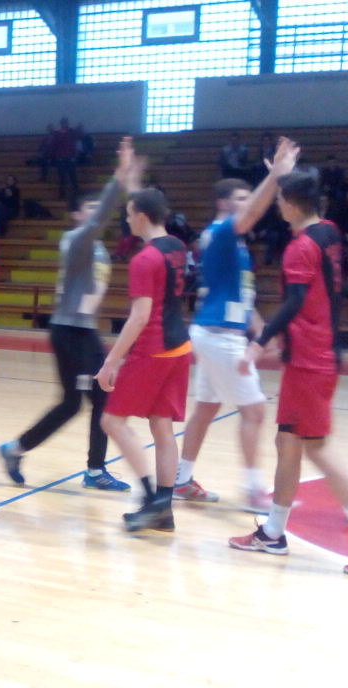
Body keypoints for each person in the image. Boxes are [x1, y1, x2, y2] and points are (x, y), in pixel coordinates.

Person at [231, 170, 348, 576]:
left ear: (290, 204)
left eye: (279, 200)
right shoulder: (329, 232)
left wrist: (259, 341)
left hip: (310, 359)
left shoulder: (300, 247)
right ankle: (273, 532)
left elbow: (294, 302)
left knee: (317, 447)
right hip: (317, 351)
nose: (277, 206)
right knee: (287, 441)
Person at [0, 137, 140, 495]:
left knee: (84, 401)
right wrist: (119, 180)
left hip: (82, 331)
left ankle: (24, 451)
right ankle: (78, 465)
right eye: (89, 208)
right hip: (69, 331)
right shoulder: (76, 241)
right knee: (82, 402)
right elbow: (100, 219)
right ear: (77, 215)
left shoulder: (98, 248)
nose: (95, 213)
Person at [175, 137, 300, 514]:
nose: (248, 203)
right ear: (223, 203)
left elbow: (242, 298)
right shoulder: (222, 231)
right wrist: (276, 177)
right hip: (219, 335)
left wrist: (261, 332)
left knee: (206, 408)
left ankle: (181, 480)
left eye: (249, 197)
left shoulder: (236, 243)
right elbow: (253, 214)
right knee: (255, 411)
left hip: (216, 331)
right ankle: (253, 491)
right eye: (241, 198)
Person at [94, 188, 192, 533]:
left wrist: (111, 362)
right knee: (162, 426)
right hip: (180, 347)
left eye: (129, 214)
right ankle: (164, 508)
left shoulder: (144, 259)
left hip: (154, 349)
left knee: (112, 421)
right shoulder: (178, 247)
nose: (126, 220)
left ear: (141, 216)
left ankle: (152, 500)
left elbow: (139, 317)